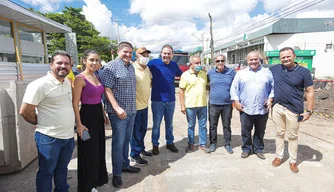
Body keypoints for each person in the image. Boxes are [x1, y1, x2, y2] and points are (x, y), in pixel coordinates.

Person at [19, 50, 75, 192]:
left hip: (68, 137)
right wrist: (41, 122)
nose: (63, 66)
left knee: (62, 169)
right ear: (51, 65)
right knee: (46, 172)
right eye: (59, 63)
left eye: (67, 63)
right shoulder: (39, 85)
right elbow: (25, 111)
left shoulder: (68, 83)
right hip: (49, 138)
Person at [270, 47, 314, 173]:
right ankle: (279, 156)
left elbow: (310, 92)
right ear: (280, 59)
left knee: (293, 135)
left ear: (294, 56)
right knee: (279, 133)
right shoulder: (275, 69)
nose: (286, 59)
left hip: (294, 109)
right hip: (277, 106)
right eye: (283, 57)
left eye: (288, 56)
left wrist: (309, 111)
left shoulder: (304, 72)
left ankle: (293, 160)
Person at [102, 41, 140, 188]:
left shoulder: (130, 67)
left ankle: (125, 164)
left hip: (131, 110)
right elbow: (107, 89)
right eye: (125, 51)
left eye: (130, 52)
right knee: (118, 143)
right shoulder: (110, 67)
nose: (128, 55)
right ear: (118, 51)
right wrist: (117, 108)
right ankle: (116, 173)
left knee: (126, 140)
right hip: (118, 113)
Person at [72, 50, 108, 191]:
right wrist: (79, 124)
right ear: (84, 60)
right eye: (92, 60)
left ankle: (97, 179)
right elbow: (75, 103)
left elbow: (99, 99)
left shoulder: (96, 76)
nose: (95, 63)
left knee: (98, 149)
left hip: (98, 116)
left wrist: (103, 114)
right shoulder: (80, 78)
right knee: (89, 151)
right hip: (86, 116)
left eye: (97, 60)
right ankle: (87, 185)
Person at [230, 51, 274, 160]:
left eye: (255, 59)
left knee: (260, 130)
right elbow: (234, 89)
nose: (253, 61)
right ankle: (246, 148)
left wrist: (270, 99)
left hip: (262, 108)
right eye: (251, 59)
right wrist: (236, 102)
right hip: (246, 107)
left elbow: (273, 88)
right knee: (246, 130)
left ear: (260, 60)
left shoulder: (267, 72)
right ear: (247, 60)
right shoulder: (241, 73)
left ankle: (258, 149)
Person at [147, 44, 183, 155]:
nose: (166, 55)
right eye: (164, 53)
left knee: (169, 124)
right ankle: (155, 145)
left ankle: (170, 143)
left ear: (172, 55)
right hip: (157, 99)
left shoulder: (174, 65)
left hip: (171, 100)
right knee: (156, 124)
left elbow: (183, 76)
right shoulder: (153, 63)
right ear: (161, 54)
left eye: (169, 54)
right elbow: (141, 68)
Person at [179, 55, 211, 153]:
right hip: (190, 105)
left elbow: (207, 86)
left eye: (199, 63)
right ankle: (191, 144)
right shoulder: (185, 75)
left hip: (202, 104)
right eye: (196, 63)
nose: (199, 65)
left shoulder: (203, 74)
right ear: (191, 64)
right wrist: (182, 105)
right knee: (191, 125)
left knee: (203, 125)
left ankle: (202, 144)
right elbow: (181, 91)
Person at [207, 54, 236, 153]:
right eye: (218, 61)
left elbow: (236, 85)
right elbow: (207, 85)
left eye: (222, 61)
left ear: (225, 61)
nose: (220, 63)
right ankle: (213, 143)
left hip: (227, 104)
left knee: (227, 125)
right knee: (212, 125)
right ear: (215, 62)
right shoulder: (210, 73)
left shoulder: (231, 72)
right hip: (213, 104)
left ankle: (227, 144)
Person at [130, 47, 153, 166]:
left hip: (144, 105)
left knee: (143, 130)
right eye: (142, 55)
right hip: (135, 106)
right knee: (135, 132)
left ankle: (141, 149)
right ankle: (134, 154)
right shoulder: (131, 68)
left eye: (147, 55)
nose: (145, 57)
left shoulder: (147, 69)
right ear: (136, 56)